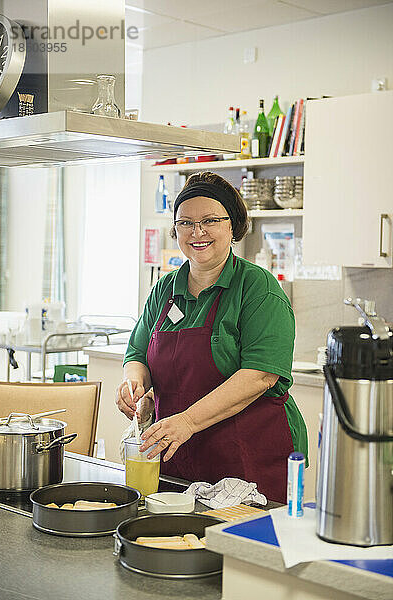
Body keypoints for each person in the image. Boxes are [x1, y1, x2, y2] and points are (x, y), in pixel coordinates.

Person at [116, 171, 307, 503]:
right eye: (186, 223)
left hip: (249, 459)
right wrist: (136, 387)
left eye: (209, 220)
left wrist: (188, 420)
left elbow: (260, 375)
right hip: (179, 457)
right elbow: (137, 354)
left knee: (241, 551)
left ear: (231, 226)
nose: (197, 232)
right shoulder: (166, 288)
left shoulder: (257, 287)